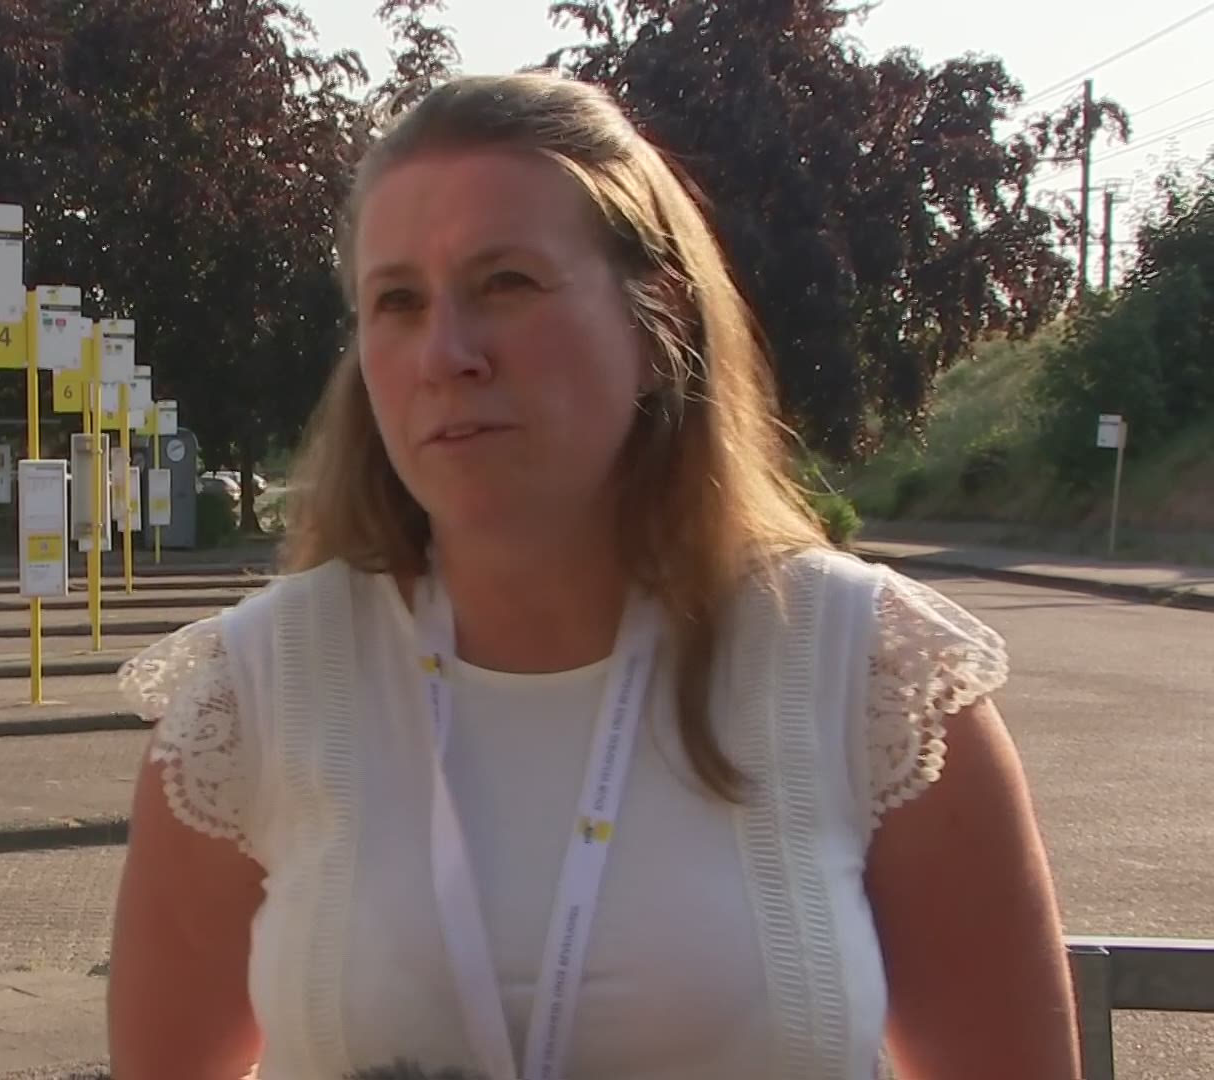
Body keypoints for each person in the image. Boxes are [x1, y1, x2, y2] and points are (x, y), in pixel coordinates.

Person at [107, 73, 1080, 1080]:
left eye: (506, 283)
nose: (446, 353)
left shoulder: (870, 673)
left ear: (659, 322)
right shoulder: (253, 694)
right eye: (397, 300)